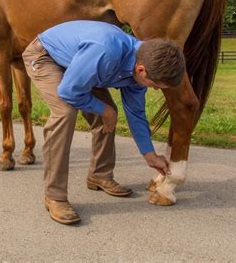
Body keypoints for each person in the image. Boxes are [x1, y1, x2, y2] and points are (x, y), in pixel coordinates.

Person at [22, 20, 186, 225]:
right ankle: (55, 196)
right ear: (142, 70)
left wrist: (149, 154)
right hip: (46, 56)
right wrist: (104, 110)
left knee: (108, 113)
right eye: (155, 85)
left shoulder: (140, 67)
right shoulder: (106, 51)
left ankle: (99, 175)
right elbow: (68, 91)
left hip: (83, 64)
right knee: (65, 112)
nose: (154, 89)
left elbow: (136, 113)